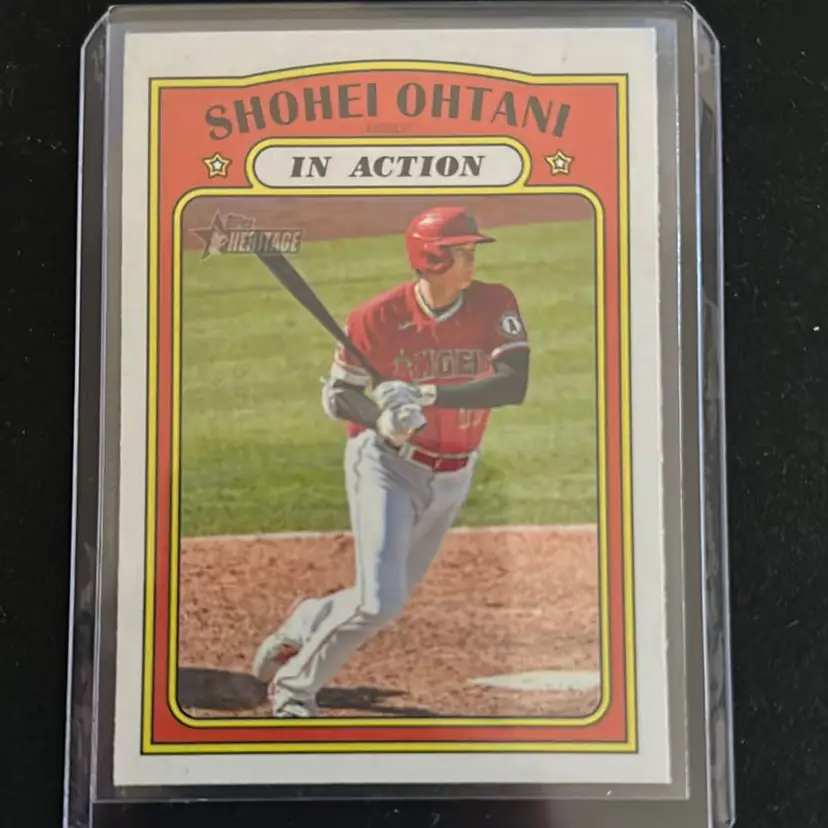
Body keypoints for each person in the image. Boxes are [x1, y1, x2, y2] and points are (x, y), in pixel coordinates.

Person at [251, 205, 531, 717]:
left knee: (383, 596)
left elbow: (514, 384)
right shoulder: (375, 318)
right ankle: (293, 688)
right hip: (387, 467)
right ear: (431, 259)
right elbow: (340, 395)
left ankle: (307, 620)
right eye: (461, 252)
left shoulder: (494, 303)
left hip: (455, 473)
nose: (472, 260)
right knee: (379, 602)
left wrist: (424, 393)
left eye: (471, 251)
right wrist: (382, 421)